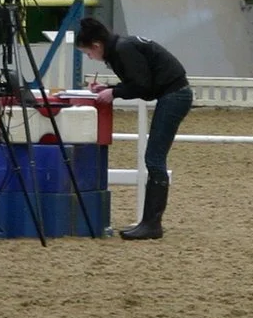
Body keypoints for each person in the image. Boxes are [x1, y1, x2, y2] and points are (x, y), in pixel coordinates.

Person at [76, 16, 191, 241]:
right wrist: (110, 88)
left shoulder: (123, 50)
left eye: (88, 53)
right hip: (174, 93)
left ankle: (152, 224)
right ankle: (149, 222)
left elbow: (142, 87)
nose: (90, 57)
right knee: (154, 158)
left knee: (154, 159)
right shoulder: (123, 47)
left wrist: (114, 93)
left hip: (174, 96)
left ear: (97, 46)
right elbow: (142, 84)